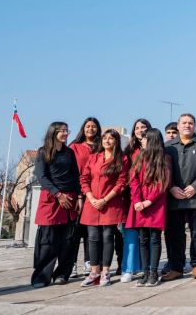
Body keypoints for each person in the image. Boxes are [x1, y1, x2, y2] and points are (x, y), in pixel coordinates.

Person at [163, 114, 196, 282]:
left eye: (190, 123)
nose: (187, 125)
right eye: (184, 123)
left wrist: (195, 186)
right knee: (174, 234)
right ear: (178, 126)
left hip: (195, 198)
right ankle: (176, 267)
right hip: (174, 198)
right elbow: (162, 171)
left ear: (195, 126)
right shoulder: (167, 146)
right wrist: (171, 187)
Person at [31, 122, 82, 287]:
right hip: (52, 199)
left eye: (67, 130)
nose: (65, 133)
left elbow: (75, 176)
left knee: (68, 241)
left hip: (70, 200)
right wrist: (58, 194)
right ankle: (41, 277)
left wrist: (78, 197)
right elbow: (42, 177)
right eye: (62, 130)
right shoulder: (43, 152)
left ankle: (62, 274)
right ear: (53, 132)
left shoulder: (69, 153)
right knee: (48, 241)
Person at [79, 128, 128, 287]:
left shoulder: (122, 159)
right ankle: (94, 272)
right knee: (92, 237)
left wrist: (105, 199)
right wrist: (91, 197)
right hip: (92, 204)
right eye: (104, 138)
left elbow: (122, 182)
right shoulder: (93, 158)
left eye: (111, 138)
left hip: (110, 204)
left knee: (108, 237)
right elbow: (84, 179)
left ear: (116, 141)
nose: (107, 140)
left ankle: (106, 272)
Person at [127, 127, 171, 287]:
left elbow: (162, 183)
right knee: (143, 239)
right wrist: (137, 200)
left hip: (155, 204)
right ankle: (145, 272)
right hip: (139, 204)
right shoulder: (139, 157)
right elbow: (133, 180)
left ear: (152, 140)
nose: (142, 140)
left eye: (144, 138)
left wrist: (148, 201)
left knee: (154, 239)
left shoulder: (163, 159)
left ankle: (153, 272)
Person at [69, 117, 102, 277]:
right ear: (83, 128)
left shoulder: (101, 147)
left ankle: (90, 262)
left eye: (94, 126)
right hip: (78, 194)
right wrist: (78, 195)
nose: (91, 129)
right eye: (88, 126)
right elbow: (71, 171)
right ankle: (71, 263)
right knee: (75, 230)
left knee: (92, 231)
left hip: (96, 195)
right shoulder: (74, 147)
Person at [118, 118, 150, 283]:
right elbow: (127, 175)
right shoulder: (129, 150)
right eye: (137, 127)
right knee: (130, 235)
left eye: (143, 127)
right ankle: (128, 268)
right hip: (132, 198)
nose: (140, 130)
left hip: (151, 198)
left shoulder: (155, 149)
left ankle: (149, 267)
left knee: (150, 236)